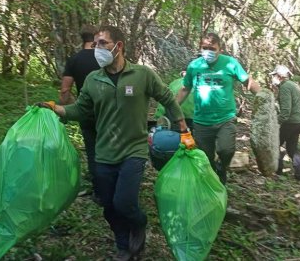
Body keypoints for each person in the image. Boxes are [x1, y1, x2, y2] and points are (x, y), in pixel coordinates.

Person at [39, 25, 194, 261]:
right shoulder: (93, 79)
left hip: (134, 150)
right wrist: (56, 108)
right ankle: (124, 246)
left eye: (102, 43)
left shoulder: (142, 75)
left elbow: (167, 98)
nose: (97, 49)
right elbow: (81, 110)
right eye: (96, 44)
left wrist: (183, 129)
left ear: (118, 46)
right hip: (104, 152)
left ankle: (139, 223)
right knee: (109, 207)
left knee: (124, 202)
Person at [176, 32, 260, 184]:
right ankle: (214, 184)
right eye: (205, 47)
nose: (208, 51)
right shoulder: (194, 66)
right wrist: (172, 107)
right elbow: (184, 89)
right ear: (201, 48)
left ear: (220, 49)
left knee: (226, 150)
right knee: (205, 158)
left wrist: (263, 96)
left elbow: (247, 81)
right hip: (201, 121)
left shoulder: (230, 63)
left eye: (212, 48)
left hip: (225, 119)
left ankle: (222, 167)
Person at [59, 24, 101, 198]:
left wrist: (74, 107)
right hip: (109, 112)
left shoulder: (74, 60)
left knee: (92, 150)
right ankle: (110, 188)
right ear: (96, 38)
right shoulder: (105, 58)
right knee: (110, 149)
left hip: (86, 113)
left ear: (81, 39)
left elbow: (64, 91)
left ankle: (97, 190)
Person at [270, 65, 300, 181]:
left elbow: (286, 111)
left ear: (279, 76)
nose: (272, 78)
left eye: (274, 75)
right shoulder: (293, 85)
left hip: (290, 122)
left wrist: (276, 123)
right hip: (299, 122)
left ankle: (277, 170)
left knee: (275, 144)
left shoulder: (285, 87)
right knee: (292, 149)